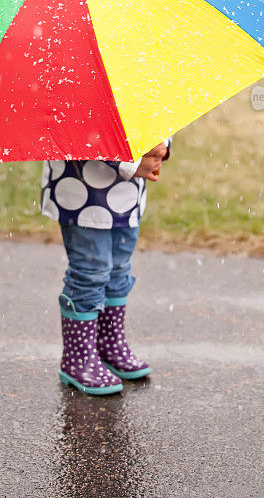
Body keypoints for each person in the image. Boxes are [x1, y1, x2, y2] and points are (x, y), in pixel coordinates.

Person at [40, 141, 171, 395]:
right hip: (82, 191)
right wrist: (130, 162)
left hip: (127, 196)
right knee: (90, 271)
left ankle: (108, 344)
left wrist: (159, 149)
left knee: (118, 268)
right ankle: (78, 360)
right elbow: (83, 131)